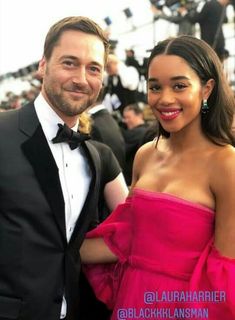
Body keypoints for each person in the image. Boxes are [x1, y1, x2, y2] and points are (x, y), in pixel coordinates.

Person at [80, 35, 235, 320]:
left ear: (207, 89)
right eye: (154, 87)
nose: (164, 98)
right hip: (131, 300)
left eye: (179, 85)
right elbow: (127, 238)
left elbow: (226, 274)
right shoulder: (144, 155)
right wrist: (48, 244)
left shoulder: (226, 164)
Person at [0, 16, 128, 320]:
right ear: (43, 65)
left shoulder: (93, 157)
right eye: (69, 63)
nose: (81, 78)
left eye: (93, 68)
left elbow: (74, 246)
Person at [121, 103, 149, 185]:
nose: (126, 121)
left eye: (129, 117)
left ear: (139, 115)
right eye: (124, 118)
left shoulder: (138, 133)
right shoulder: (149, 131)